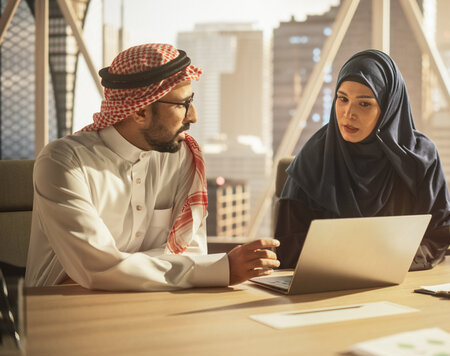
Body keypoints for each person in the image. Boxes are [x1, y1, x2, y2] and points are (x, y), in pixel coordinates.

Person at [25, 44, 279, 290]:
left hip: (153, 301)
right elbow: (96, 269)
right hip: (59, 305)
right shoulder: (64, 163)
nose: (193, 116)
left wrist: (121, 269)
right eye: (182, 104)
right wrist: (221, 269)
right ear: (140, 112)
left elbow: (190, 250)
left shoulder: (182, 155)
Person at [275, 49, 450, 271]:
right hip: (326, 286)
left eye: (364, 104)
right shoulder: (314, 158)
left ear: (388, 108)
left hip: (400, 283)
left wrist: (389, 262)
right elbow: (286, 248)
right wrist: (358, 258)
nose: (348, 113)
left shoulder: (420, 157)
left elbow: (437, 236)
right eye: (342, 99)